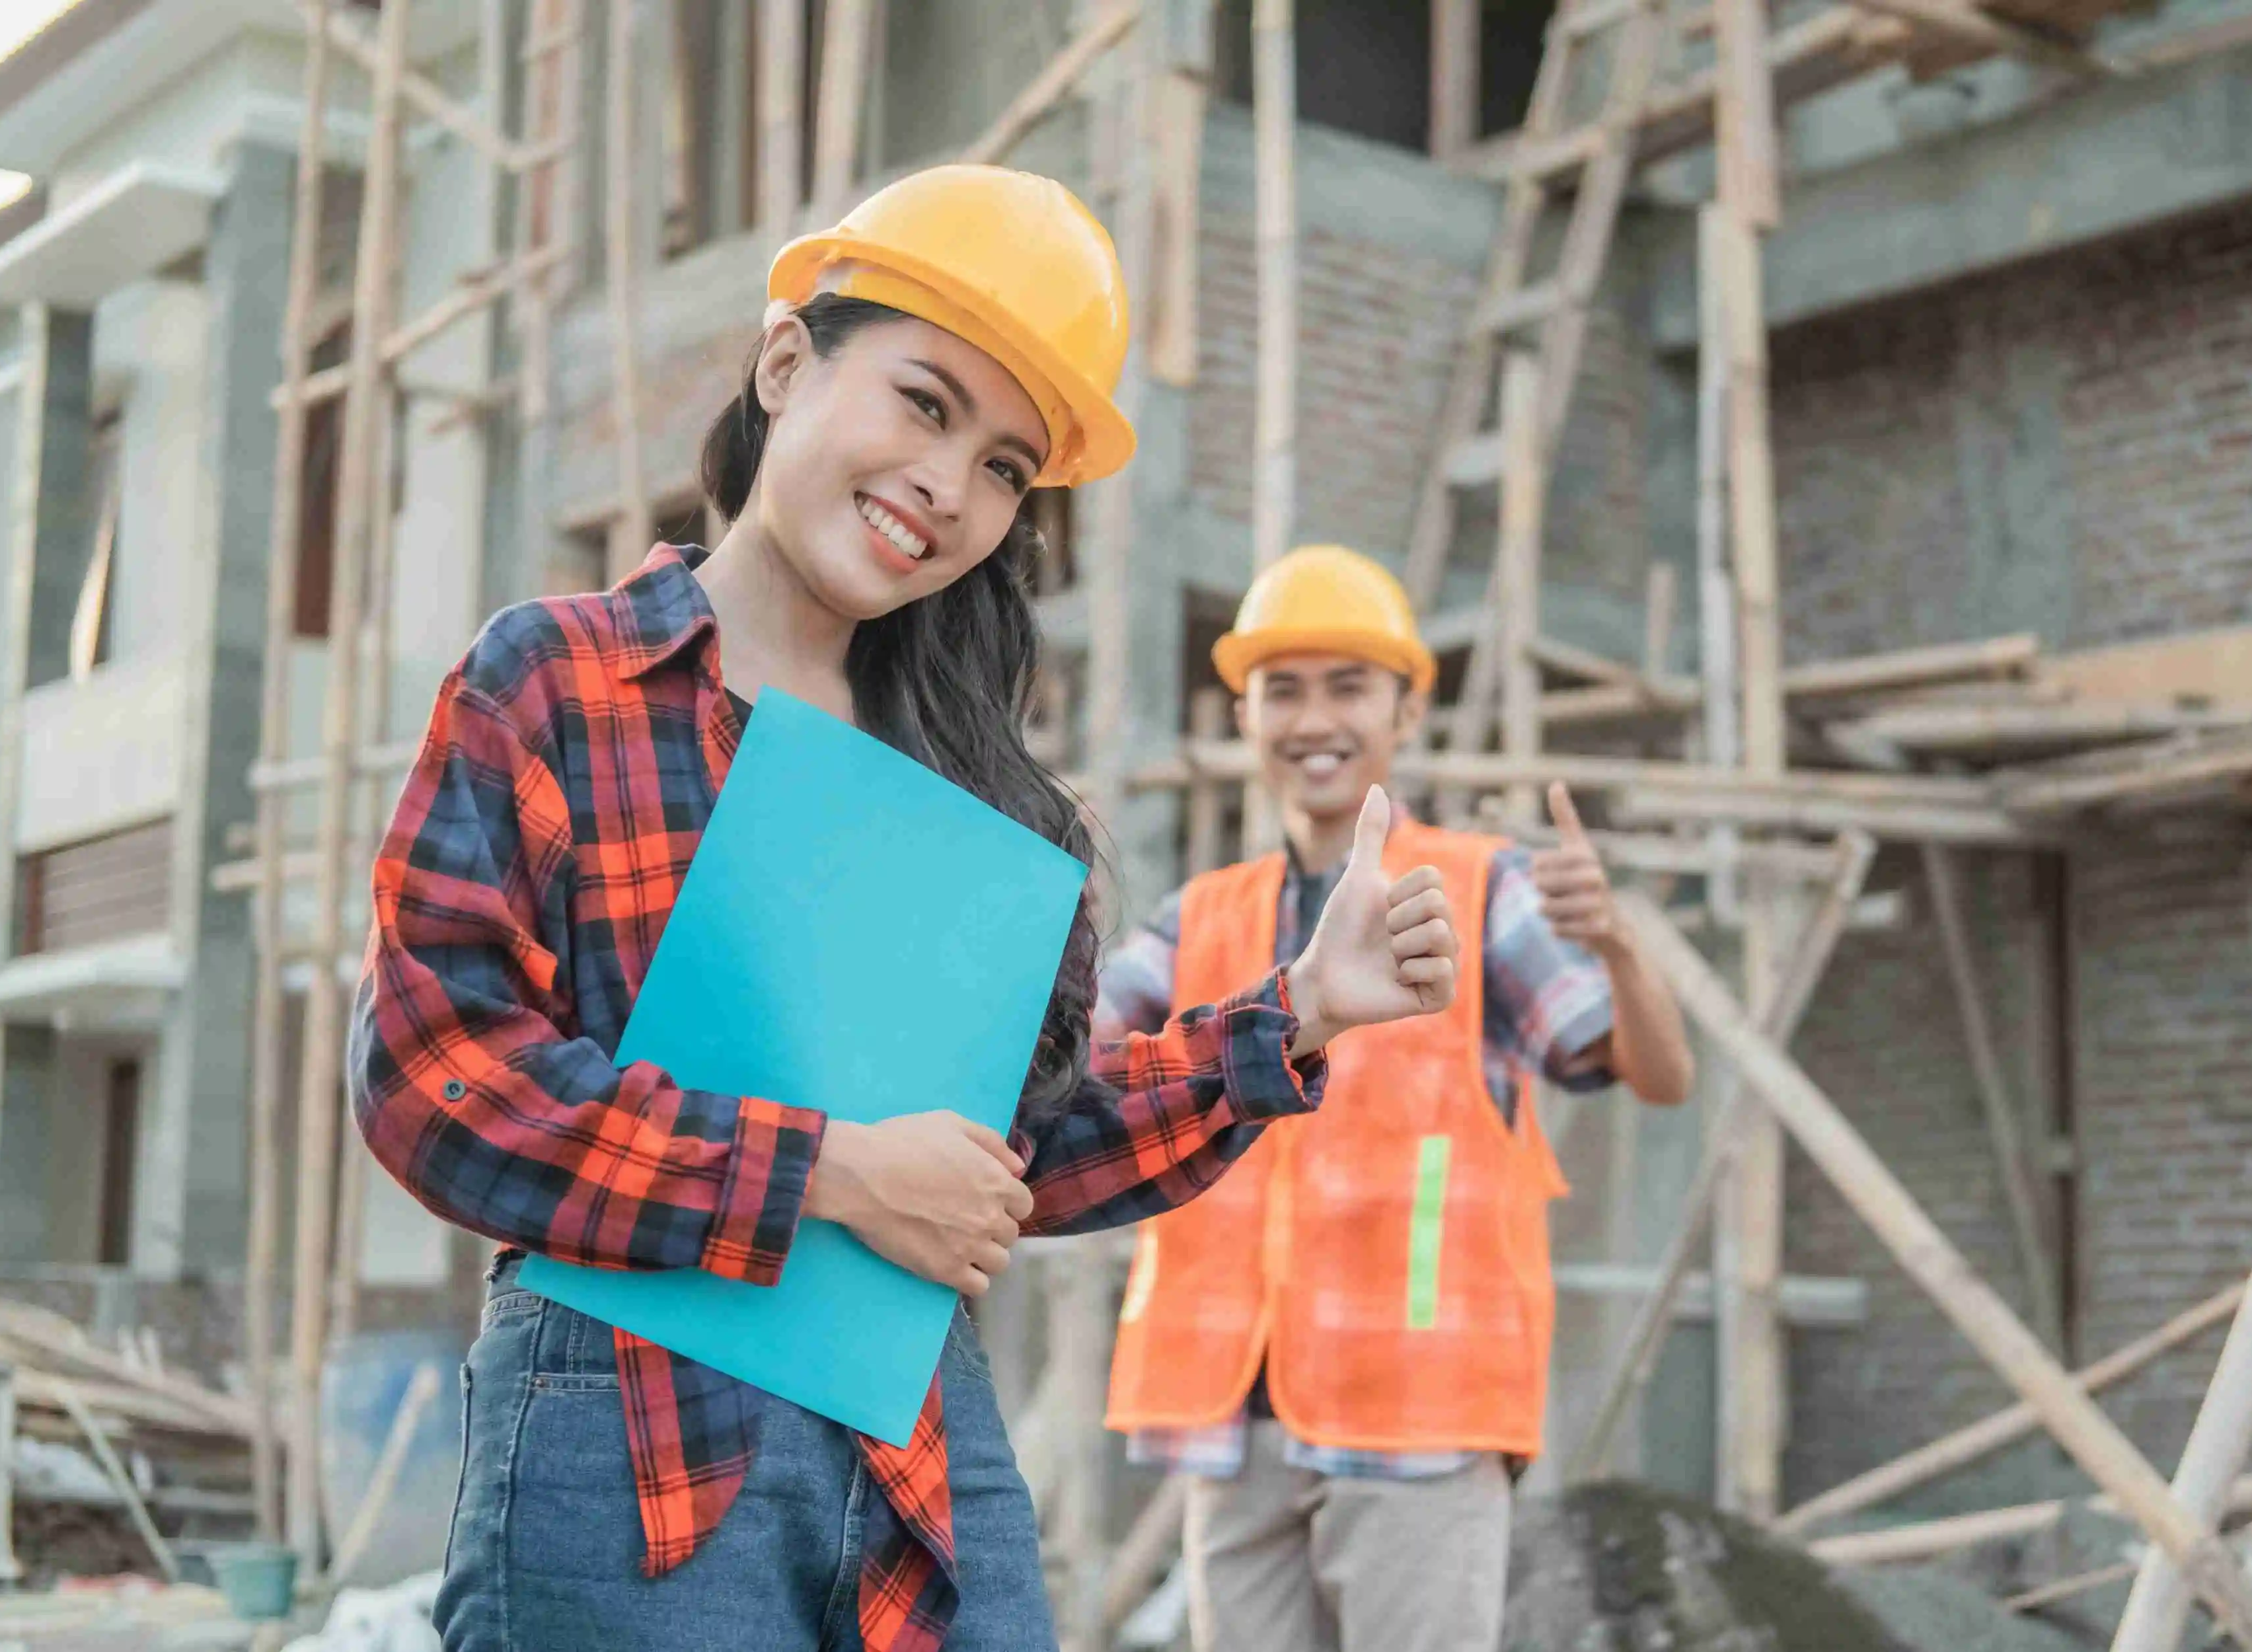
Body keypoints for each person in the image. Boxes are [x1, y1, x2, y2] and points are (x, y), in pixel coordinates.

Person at [349, 169, 1466, 1652]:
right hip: (631, 1443)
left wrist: (1299, 1012)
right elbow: (436, 1077)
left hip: (915, 1445)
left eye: (1008, 466)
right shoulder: (560, 681)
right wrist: (825, 1170)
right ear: (787, 362)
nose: (954, 486)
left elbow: (1007, 1154)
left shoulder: (965, 777)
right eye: (927, 403)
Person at [1098, 544, 1698, 1652]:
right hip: (1234, 1417)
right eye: (1283, 690)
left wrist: (1616, 939)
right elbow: (1066, 1058)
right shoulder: (1202, 916)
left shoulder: (1482, 890)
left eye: (1349, 686)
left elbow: (1652, 1074)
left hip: (1424, 1416)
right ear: (1245, 716)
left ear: (1407, 712)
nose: (1313, 719)